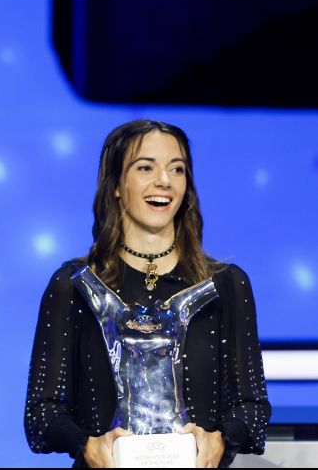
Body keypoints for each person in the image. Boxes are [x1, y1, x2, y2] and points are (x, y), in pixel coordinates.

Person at [24, 119, 270, 468]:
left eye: (177, 169)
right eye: (145, 167)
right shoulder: (73, 285)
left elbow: (254, 408)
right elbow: (41, 416)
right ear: (116, 185)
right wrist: (87, 444)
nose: (164, 181)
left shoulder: (225, 285)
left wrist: (220, 438)